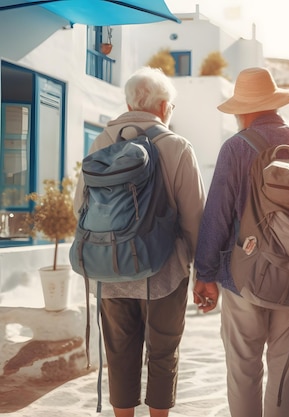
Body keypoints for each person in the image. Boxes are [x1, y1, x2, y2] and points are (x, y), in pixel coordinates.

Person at [192, 67, 289, 417]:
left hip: (243, 279)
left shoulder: (236, 148)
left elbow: (217, 215)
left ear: (242, 110)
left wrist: (206, 274)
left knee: (244, 367)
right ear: (274, 104)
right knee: (286, 369)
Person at [73, 67, 206, 417]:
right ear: (163, 107)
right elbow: (194, 217)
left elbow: (79, 206)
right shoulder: (176, 146)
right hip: (162, 272)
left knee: (119, 354)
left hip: (109, 272)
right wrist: (197, 268)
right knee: (162, 354)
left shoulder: (101, 143)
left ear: (131, 103)